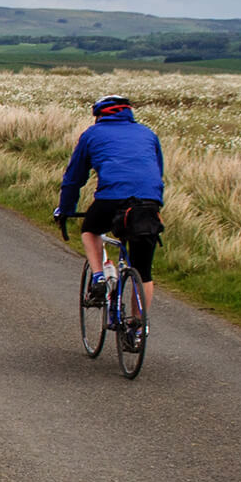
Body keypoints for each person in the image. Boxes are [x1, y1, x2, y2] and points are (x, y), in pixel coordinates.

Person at [55, 95, 164, 322]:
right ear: (128, 112)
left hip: (111, 200)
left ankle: (98, 278)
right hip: (147, 204)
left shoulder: (92, 135)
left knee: (91, 229)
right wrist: (156, 207)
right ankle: (136, 327)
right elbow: (156, 173)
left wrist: (65, 209)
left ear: (99, 115)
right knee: (143, 272)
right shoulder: (148, 134)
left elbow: (74, 178)